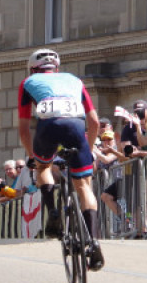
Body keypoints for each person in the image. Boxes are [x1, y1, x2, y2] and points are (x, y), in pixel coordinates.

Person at [17, 48, 104, 270]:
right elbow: (94, 121)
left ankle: (53, 211)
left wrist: (32, 157)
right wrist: (91, 149)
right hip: (76, 126)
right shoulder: (75, 80)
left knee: (43, 168)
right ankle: (94, 243)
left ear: (33, 69)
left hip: (48, 126)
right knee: (84, 186)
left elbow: (24, 129)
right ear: (56, 67)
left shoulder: (28, 82)